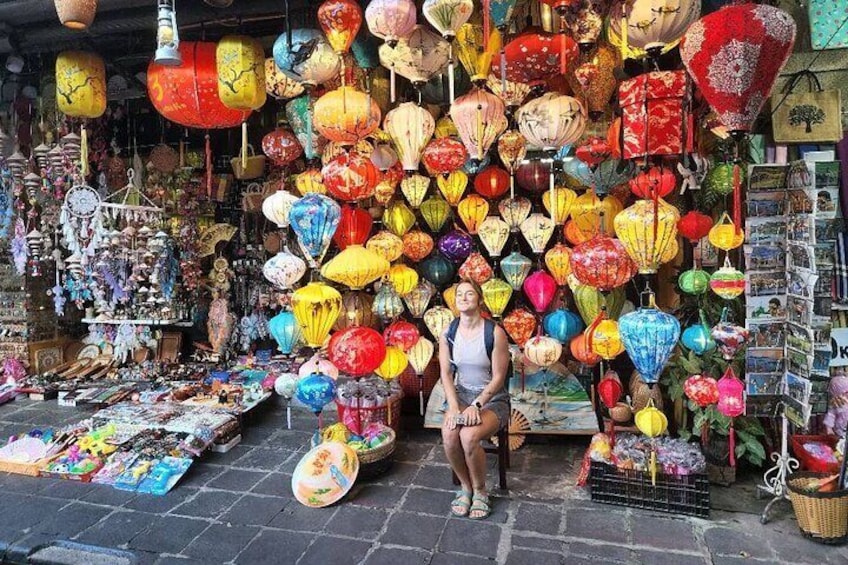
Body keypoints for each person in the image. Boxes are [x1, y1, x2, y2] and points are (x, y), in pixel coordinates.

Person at [439, 279, 510, 519]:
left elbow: (499, 377)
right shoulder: (448, 333)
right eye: (459, 294)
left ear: (479, 299)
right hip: (460, 395)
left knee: (468, 436)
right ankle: (465, 487)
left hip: (492, 399)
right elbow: (446, 374)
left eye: (470, 294)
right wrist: (452, 406)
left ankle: (481, 490)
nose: (464, 297)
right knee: (449, 435)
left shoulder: (494, 333)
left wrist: (477, 405)